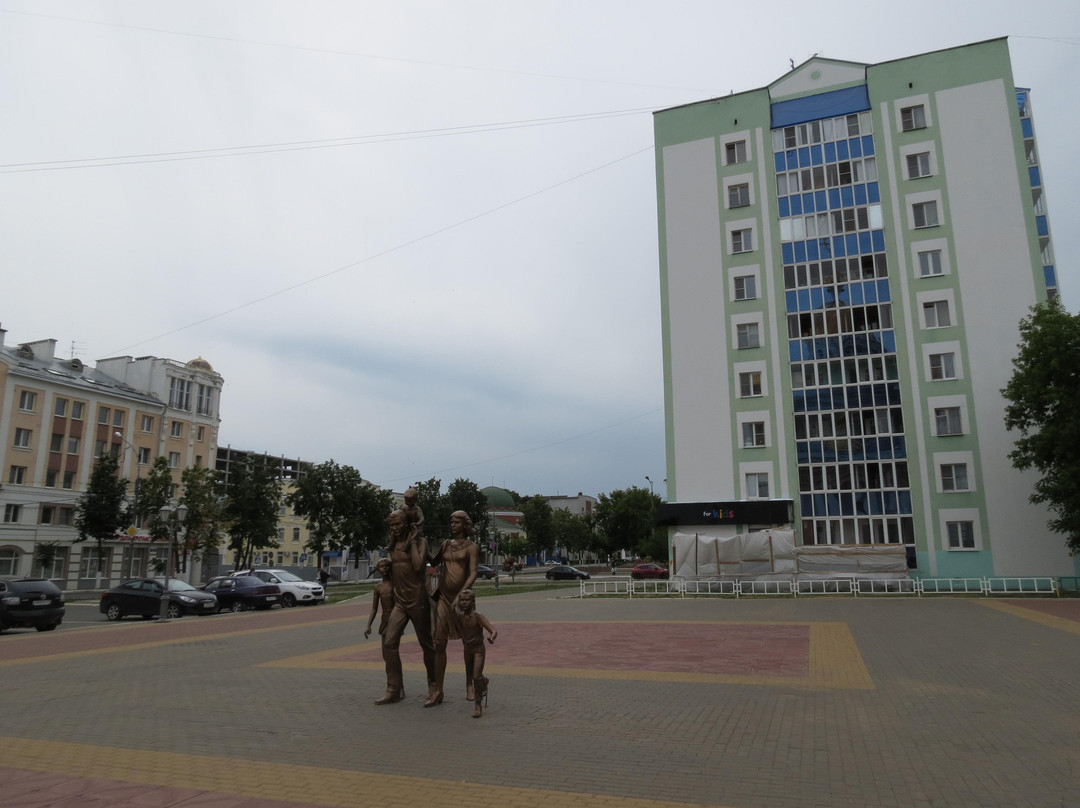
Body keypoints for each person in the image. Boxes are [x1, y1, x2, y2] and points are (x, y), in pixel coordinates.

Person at [375, 509, 435, 705]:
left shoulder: (421, 542)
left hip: (418, 600)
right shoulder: (393, 545)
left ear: (407, 525)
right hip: (400, 602)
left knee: (426, 644)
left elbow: (418, 567)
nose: (394, 528)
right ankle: (394, 688)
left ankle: (433, 685)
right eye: (391, 525)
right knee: (389, 643)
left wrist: (413, 542)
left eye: (398, 524)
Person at [425, 509, 479, 707]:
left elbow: (473, 573)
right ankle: (438, 690)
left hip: (463, 601)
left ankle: (470, 684)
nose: (452, 525)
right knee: (439, 643)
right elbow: (433, 561)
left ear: (465, 525)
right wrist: (420, 543)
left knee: (469, 644)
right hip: (444, 600)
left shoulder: (471, 547)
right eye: (451, 522)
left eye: (456, 522)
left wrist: (462, 594)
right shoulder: (446, 544)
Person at [455, 589, 496, 718]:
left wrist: (492, 637)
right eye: (461, 600)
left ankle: (478, 705)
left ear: (473, 602)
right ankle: (484, 681)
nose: (464, 603)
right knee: (471, 674)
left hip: (478, 650)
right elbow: (452, 610)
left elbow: (493, 630)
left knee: (476, 676)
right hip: (467, 649)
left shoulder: (478, 616)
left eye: (467, 600)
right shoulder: (460, 616)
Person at [364, 558, 394, 640]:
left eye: (387, 566)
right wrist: (369, 625)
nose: (384, 568)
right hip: (385, 618)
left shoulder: (396, 584)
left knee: (392, 645)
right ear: (378, 569)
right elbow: (374, 608)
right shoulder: (378, 587)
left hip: (395, 617)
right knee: (385, 644)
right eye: (381, 566)